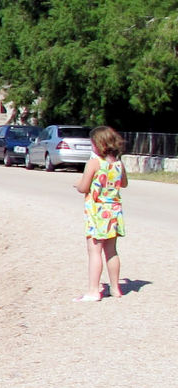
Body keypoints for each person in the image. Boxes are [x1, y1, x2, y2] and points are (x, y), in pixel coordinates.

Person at [74, 126, 127, 300]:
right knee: (111, 251)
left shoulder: (94, 163)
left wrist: (78, 183)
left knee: (94, 251)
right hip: (113, 210)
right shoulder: (118, 164)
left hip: (97, 211)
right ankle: (115, 288)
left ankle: (93, 290)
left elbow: (83, 187)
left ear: (99, 144)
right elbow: (124, 184)